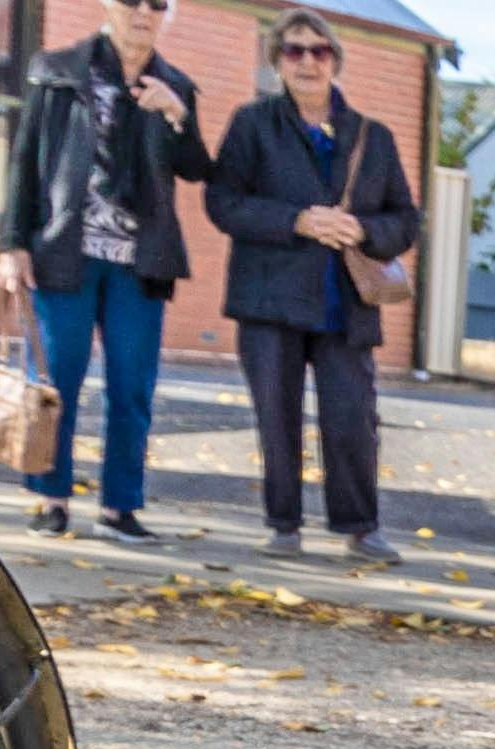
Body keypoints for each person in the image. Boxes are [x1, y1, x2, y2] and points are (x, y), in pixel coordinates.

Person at [204, 8, 414, 563]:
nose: (306, 61)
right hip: (269, 300)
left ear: (335, 62)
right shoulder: (252, 125)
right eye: (293, 50)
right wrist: (295, 220)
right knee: (277, 417)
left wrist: (364, 228)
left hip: (344, 306)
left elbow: (406, 221)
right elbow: (223, 203)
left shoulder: (374, 136)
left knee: (352, 419)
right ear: (277, 61)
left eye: (318, 51)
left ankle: (361, 528)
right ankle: (283, 524)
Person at [0, 0, 209, 544]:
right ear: (107, 6)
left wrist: (174, 113)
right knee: (55, 382)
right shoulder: (57, 70)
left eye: (157, 4)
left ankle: (120, 507)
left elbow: (197, 167)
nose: (143, 12)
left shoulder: (176, 85)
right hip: (65, 252)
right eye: (131, 1)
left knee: (132, 387)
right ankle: (51, 498)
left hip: (140, 263)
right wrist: (12, 243)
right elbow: (26, 160)